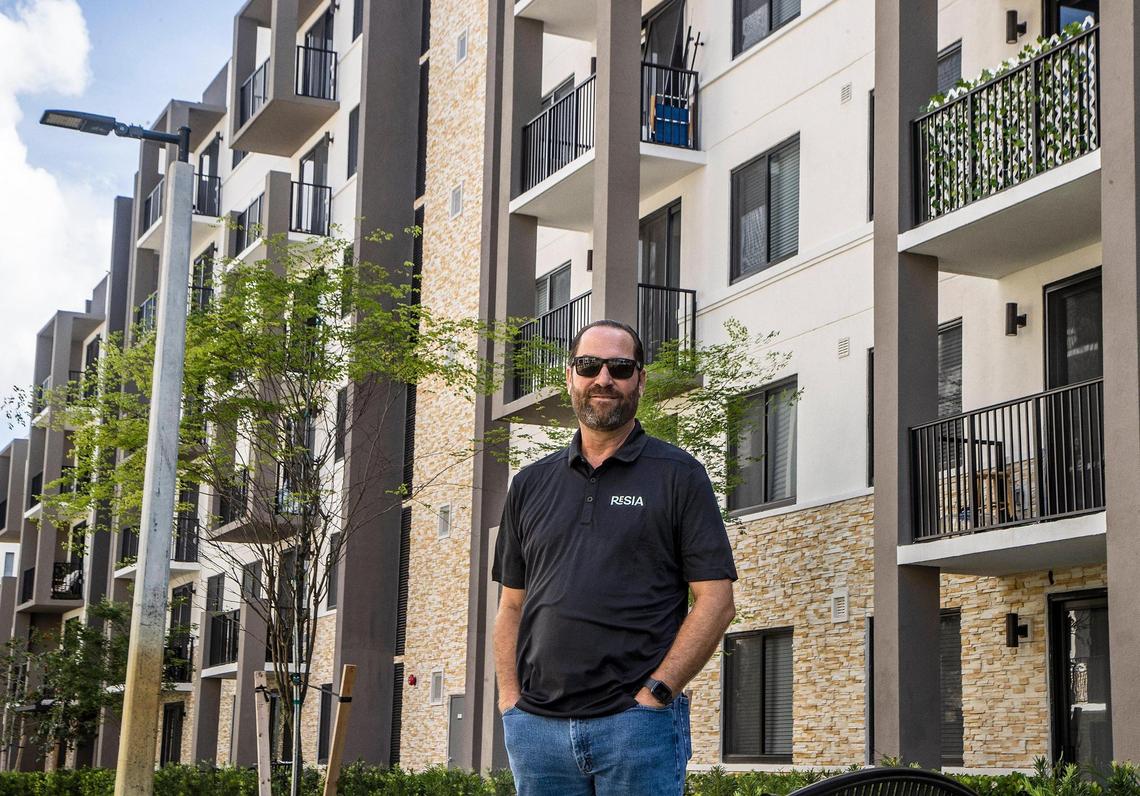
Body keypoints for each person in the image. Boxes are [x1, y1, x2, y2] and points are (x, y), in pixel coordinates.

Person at [492, 319, 738, 796]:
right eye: (589, 365)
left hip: (635, 729)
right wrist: (510, 702)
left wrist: (658, 694)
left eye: (620, 367)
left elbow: (716, 601)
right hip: (537, 733)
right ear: (570, 377)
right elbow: (511, 607)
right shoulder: (530, 484)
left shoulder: (679, 476)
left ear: (639, 380)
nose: (604, 379)